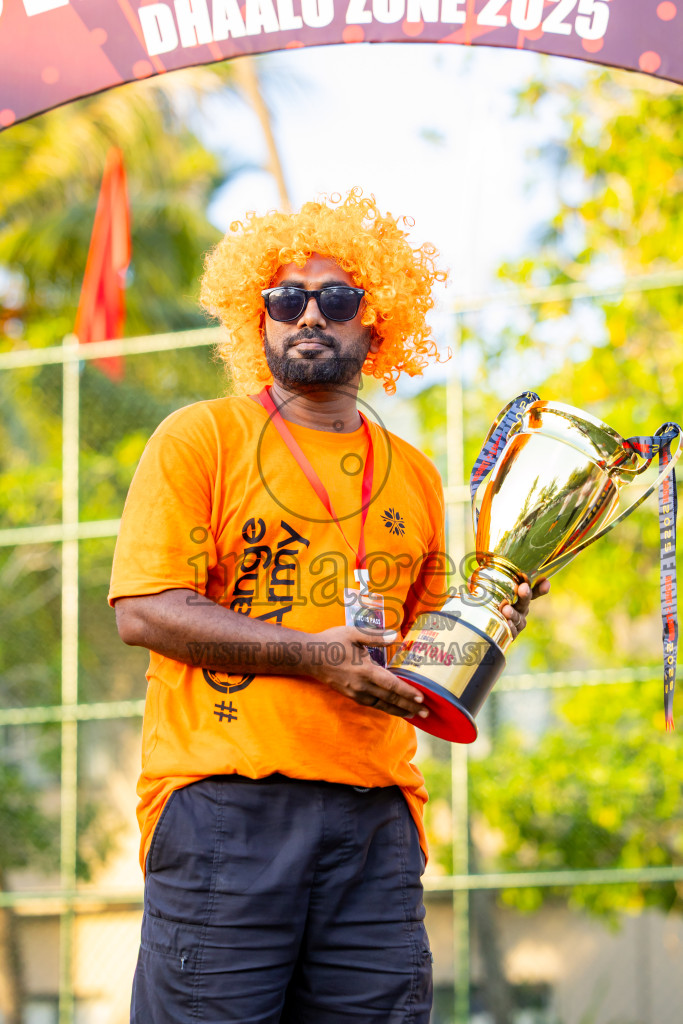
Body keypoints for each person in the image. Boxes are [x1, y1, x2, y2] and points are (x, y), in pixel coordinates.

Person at [109, 189, 548, 1024]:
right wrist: (315, 654)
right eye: (284, 299)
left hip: (374, 819)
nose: (309, 314)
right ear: (257, 319)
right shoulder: (199, 437)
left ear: (376, 321)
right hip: (224, 807)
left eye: (337, 298)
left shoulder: (413, 473)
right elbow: (146, 611)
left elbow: (415, 662)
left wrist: (488, 620)